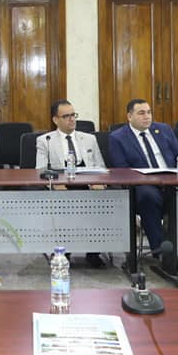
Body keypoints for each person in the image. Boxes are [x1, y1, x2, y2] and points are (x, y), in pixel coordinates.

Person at [108, 99, 178, 272]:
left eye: (149, 112)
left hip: (172, 181)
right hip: (143, 184)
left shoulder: (163, 129)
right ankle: (162, 253)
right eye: (141, 113)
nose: (147, 117)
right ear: (129, 116)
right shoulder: (118, 137)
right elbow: (121, 169)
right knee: (148, 197)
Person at [36, 100, 107, 267]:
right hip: (61, 185)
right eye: (66, 116)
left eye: (73, 115)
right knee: (63, 202)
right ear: (55, 120)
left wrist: (99, 183)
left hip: (87, 184)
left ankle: (94, 252)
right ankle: (64, 251)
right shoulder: (45, 140)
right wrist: (55, 184)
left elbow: (100, 166)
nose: (72, 119)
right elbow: (40, 170)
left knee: (103, 200)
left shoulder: (89, 139)